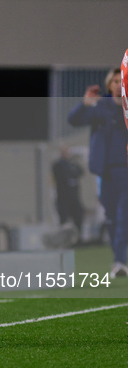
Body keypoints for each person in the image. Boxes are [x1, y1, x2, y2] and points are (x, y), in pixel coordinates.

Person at [68, 67, 128, 278]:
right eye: (115, 81)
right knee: (111, 217)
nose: (118, 84)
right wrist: (84, 104)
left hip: (125, 170)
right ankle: (118, 259)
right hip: (105, 171)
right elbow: (73, 120)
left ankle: (120, 260)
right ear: (109, 84)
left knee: (123, 216)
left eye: (122, 80)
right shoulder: (101, 107)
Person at [51, 144, 84, 241]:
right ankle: (64, 240)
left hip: (74, 197)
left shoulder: (73, 164)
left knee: (78, 217)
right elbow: (63, 175)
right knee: (64, 220)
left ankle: (78, 239)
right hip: (63, 198)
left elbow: (80, 172)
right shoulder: (57, 165)